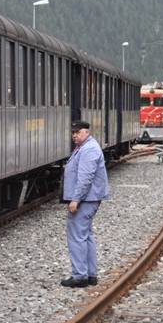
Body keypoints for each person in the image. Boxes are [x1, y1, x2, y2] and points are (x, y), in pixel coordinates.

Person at [60, 119, 109, 287]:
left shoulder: (88, 149)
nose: (74, 135)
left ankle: (80, 276)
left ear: (87, 132)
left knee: (77, 237)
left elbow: (85, 178)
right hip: (89, 198)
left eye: (78, 132)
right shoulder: (86, 147)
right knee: (86, 235)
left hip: (86, 199)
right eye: (73, 132)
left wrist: (76, 199)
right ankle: (90, 274)